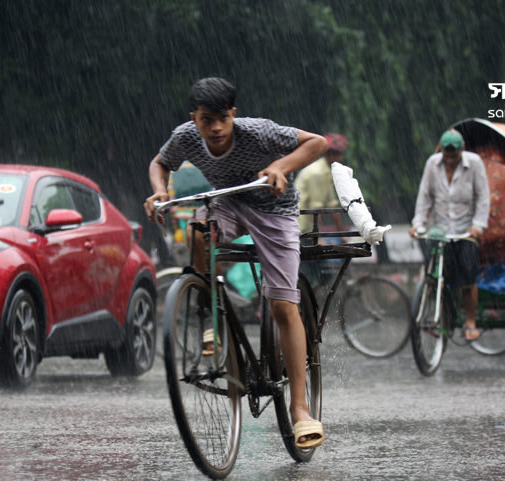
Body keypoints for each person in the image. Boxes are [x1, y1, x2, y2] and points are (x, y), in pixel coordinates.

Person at [144, 77, 328, 448]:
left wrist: (281, 166)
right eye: (205, 119)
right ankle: (210, 316)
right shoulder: (186, 136)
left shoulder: (259, 133)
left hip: (275, 211)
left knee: (281, 305)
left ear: (233, 114)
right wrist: (160, 190)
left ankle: (300, 410)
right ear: (194, 117)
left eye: (221, 119)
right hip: (226, 204)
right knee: (198, 231)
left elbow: (317, 143)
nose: (214, 128)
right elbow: (160, 163)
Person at [408, 129, 490, 341]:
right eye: (447, 154)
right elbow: (424, 197)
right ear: (441, 150)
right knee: (434, 272)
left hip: (466, 231)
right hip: (441, 231)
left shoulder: (474, 164)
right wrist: (418, 223)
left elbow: (483, 197)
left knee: (467, 278)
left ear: (462, 150)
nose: (450, 159)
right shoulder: (432, 165)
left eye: (454, 155)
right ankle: (440, 309)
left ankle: (470, 321)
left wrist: (478, 226)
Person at [295, 132, 350, 293]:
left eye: (340, 154)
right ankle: (307, 310)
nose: (339, 158)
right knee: (311, 273)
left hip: (306, 227)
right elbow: (315, 209)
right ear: (328, 154)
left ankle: (309, 308)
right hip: (300, 227)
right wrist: (317, 237)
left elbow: (332, 205)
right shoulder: (317, 173)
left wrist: (342, 233)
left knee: (323, 273)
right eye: (335, 154)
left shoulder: (328, 172)